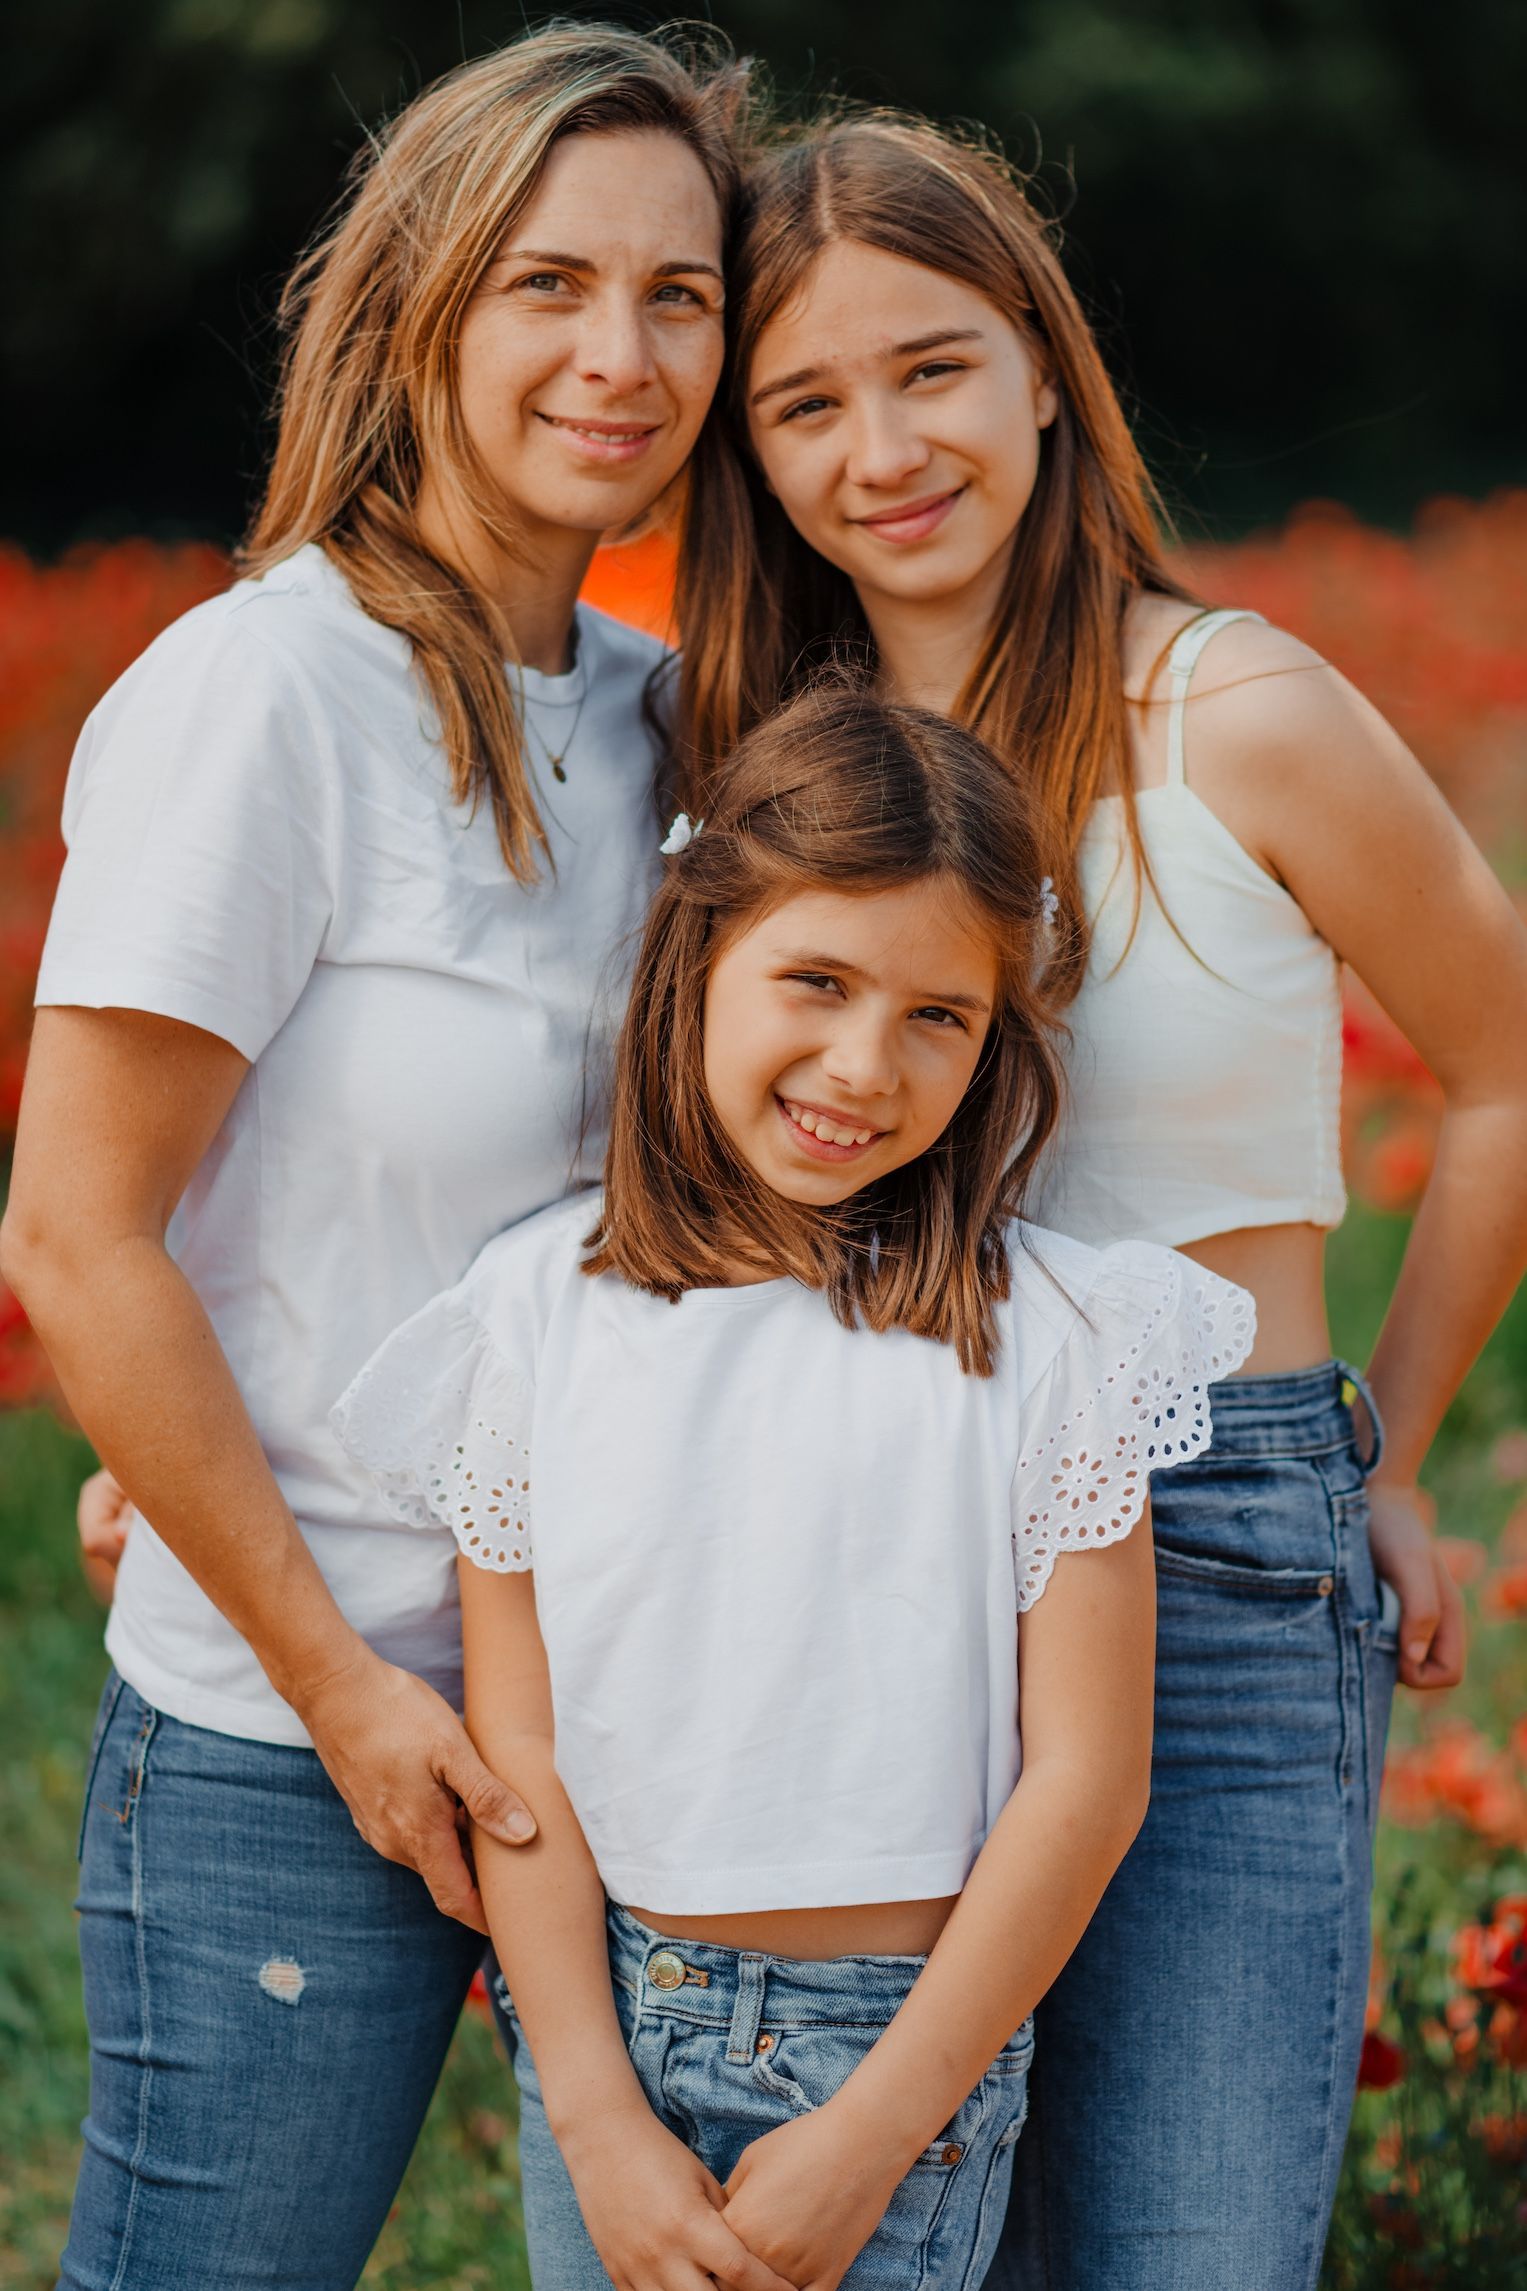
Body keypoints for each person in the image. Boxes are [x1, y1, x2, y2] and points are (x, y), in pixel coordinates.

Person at [673, 114, 1527, 2291]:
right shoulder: (767, 766)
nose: (881, 445)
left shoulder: (1227, 711)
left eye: (932, 365)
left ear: (1042, 366)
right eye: (804, 401)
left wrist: (1381, 1455)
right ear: (747, 454)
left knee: (1179, 2251)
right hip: (864, 1540)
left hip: (1218, 1536)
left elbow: (1508, 1067)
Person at [1, 26, 755, 2289]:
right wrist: (340, 1688)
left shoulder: (662, 723)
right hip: (287, 1732)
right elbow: (79, 1224)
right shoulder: (270, 696)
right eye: (546, 282)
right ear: (415, 299)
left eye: (679, 295)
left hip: (630, 1724)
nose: (617, 356)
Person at [333, 681, 1256, 2289]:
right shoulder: (534, 1316)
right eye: (814, 983)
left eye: (936, 1017)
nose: (861, 1064)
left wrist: (881, 2127)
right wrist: (596, 2120)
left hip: (893, 2058)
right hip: (607, 2028)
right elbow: (522, 1753)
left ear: (994, 1036)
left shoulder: (1054, 1341)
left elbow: (1086, 1781)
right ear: (701, 960)